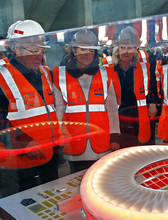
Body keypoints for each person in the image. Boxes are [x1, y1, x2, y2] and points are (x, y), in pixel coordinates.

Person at [0, 20, 62, 196]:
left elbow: (49, 110)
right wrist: (25, 141)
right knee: (24, 203)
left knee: (51, 200)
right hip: (19, 160)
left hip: (50, 154)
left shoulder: (45, 72)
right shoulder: (2, 76)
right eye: (34, 51)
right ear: (16, 49)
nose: (39, 56)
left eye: (42, 50)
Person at [52, 29, 120, 173]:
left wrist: (114, 136)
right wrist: (58, 137)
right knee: (75, 182)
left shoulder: (105, 73)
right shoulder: (60, 75)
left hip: (101, 142)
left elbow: (112, 109)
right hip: (74, 142)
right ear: (74, 51)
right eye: (82, 49)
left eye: (91, 50)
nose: (87, 54)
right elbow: (58, 110)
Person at [111, 26, 154, 148]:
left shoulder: (143, 67)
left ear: (135, 49)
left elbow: (151, 86)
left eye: (130, 48)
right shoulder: (108, 68)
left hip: (138, 116)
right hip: (117, 117)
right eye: (122, 48)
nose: (125, 51)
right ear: (117, 49)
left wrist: (152, 103)